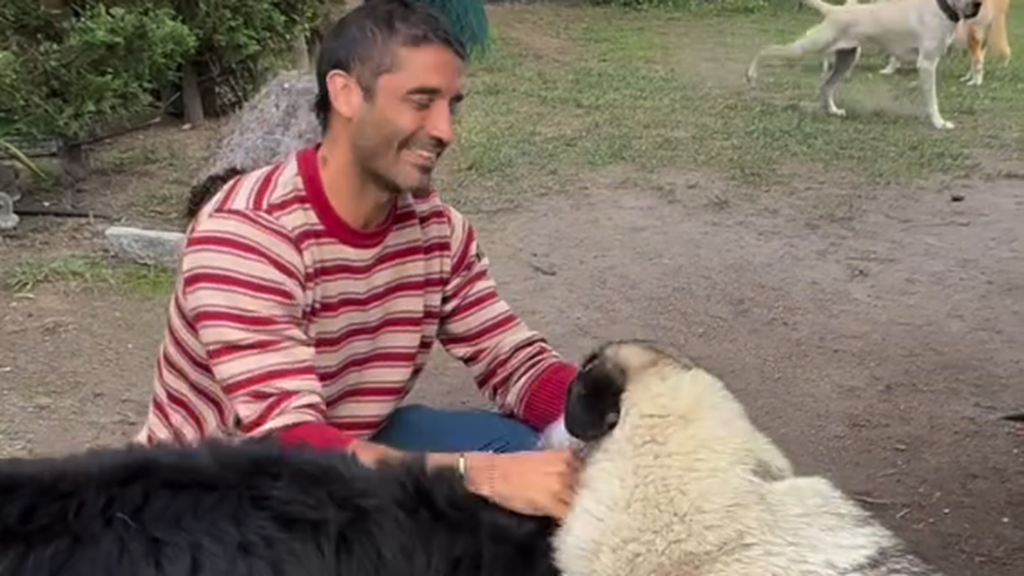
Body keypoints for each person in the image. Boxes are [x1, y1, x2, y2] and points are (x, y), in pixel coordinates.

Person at [134, 0, 580, 521]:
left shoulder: (435, 230)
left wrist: (630, 416)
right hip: (216, 499)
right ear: (345, 93)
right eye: (421, 101)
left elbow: (513, 360)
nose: (444, 130)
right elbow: (294, 445)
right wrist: (481, 476)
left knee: (550, 457)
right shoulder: (249, 233)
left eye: (452, 105)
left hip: (347, 446)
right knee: (490, 493)